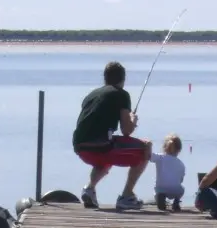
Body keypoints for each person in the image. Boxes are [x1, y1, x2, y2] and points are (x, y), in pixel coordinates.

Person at [72, 61, 151, 210]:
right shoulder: (121, 94)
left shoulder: (91, 95)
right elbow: (126, 130)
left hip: (80, 147)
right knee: (146, 146)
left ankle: (89, 189)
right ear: (123, 79)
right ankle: (127, 196)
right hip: (101, 146)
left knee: (106, 153)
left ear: (105, 78)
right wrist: (133, 119)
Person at [149, 133, 186, 212]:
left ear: (164, 147)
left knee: (158, 192)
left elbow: (149, 156)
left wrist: (148, 146)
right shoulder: (181, 164)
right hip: (175, 190)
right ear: (179, 150)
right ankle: (176, 201)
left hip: (161, 188)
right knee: (182, 189)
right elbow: (181, 179)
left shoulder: (160, 157)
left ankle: (160, 198)